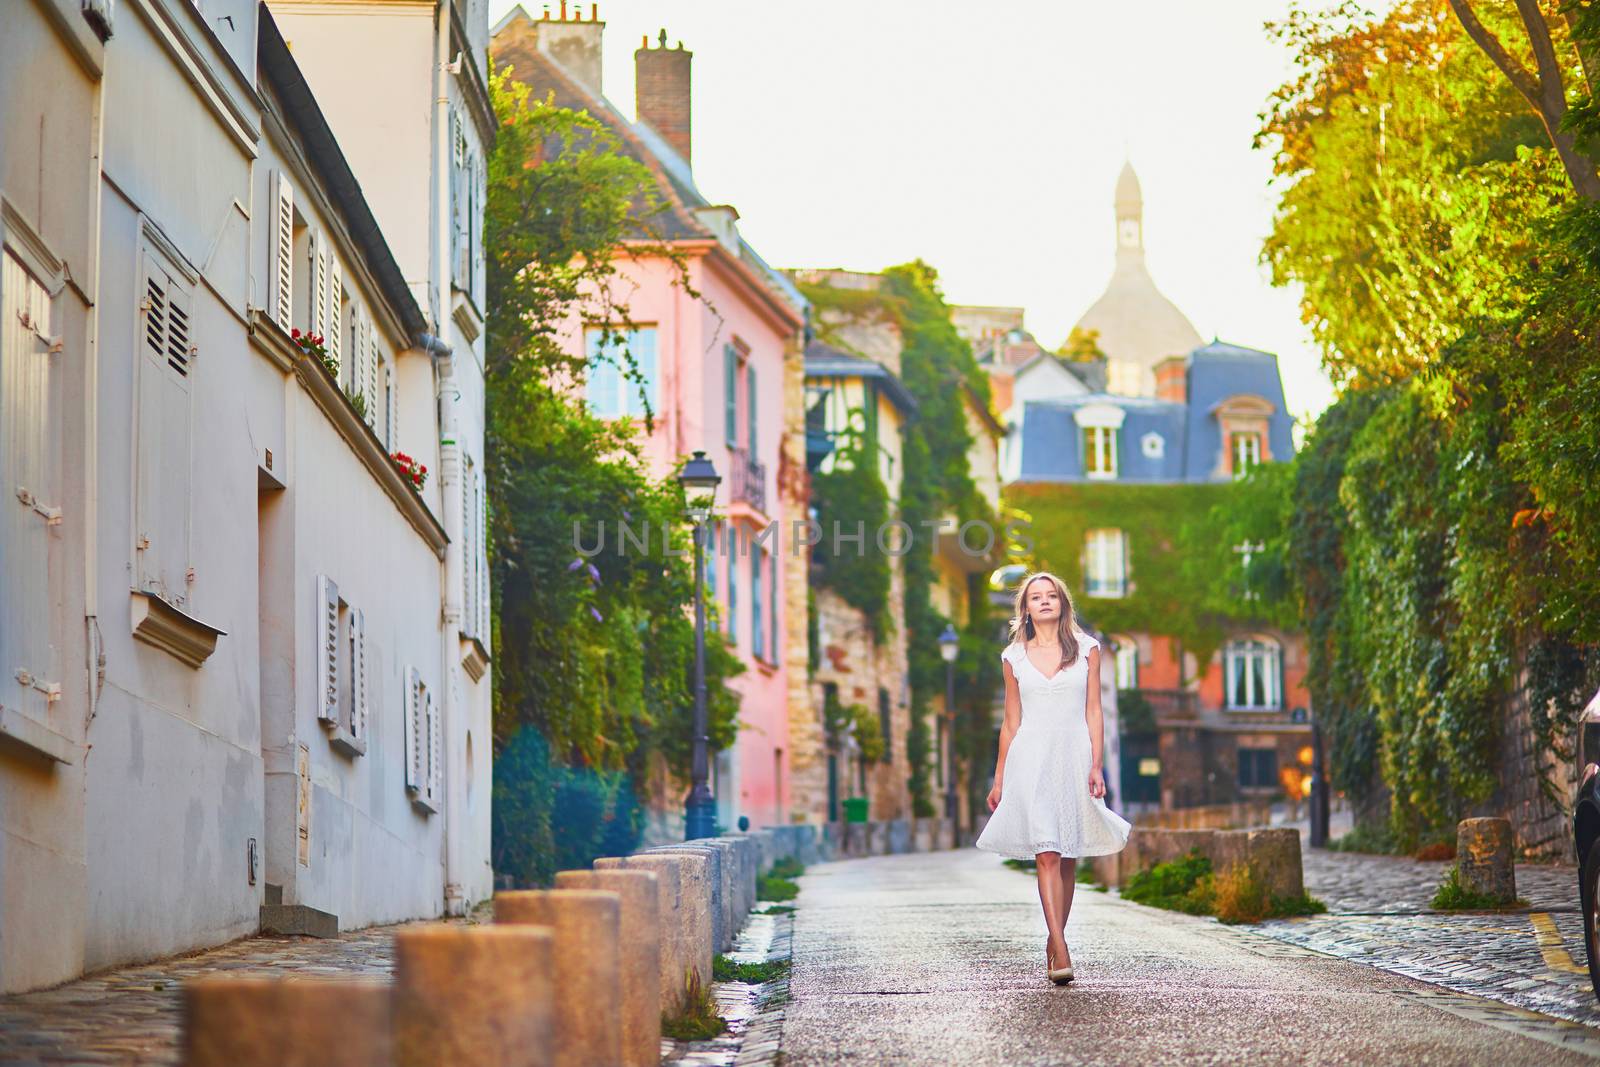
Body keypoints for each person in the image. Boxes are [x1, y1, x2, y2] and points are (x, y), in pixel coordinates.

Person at [975, 571, 1131, 984]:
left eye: (1051, 596)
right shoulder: (1013, 658)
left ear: (1062, 604)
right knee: (1046, 852)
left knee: (1066, 856)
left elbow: (1094, 711)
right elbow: (1010, 723)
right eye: (1035, 597)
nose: (1044, 601)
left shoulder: (1087, 649)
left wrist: (1096, 764)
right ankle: (1060, 946)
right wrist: (999, 779)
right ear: (1025, 608)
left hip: (1073, 757)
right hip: (1030, 758)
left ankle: (1053, 937)